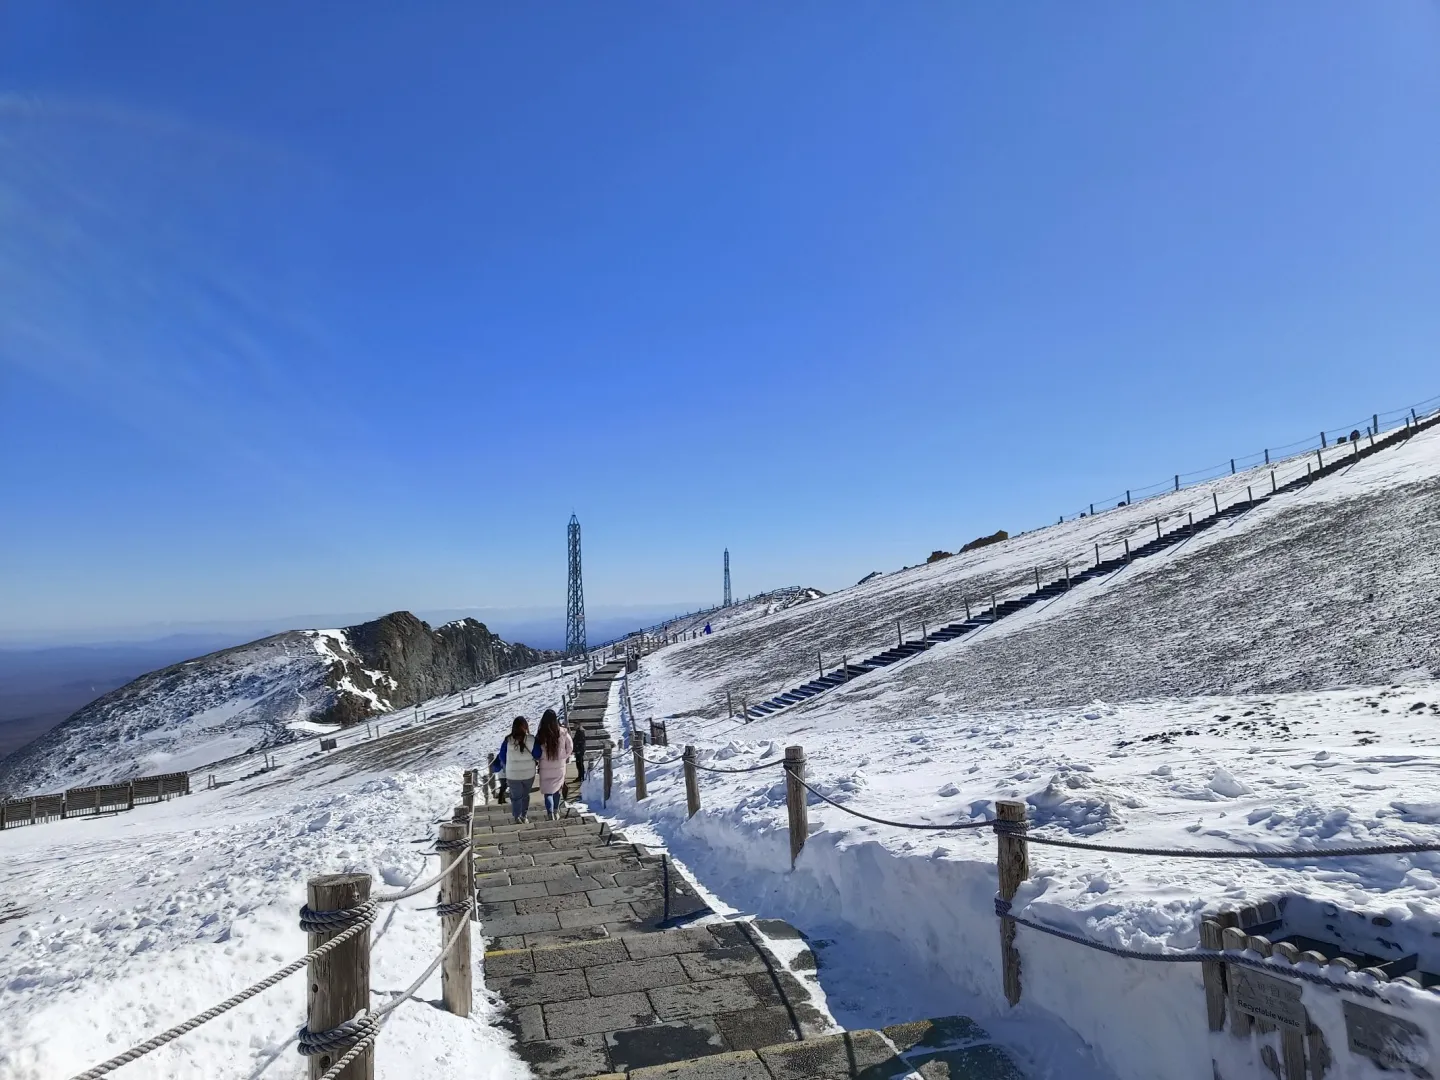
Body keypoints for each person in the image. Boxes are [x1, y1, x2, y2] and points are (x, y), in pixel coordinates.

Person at [490, 716, 540, 824]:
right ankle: (524, 816)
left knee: (516, 796)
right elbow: (538, 754)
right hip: (529, 773)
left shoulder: (507, 740)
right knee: (525, 795)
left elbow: (502, 756)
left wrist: (509, 764)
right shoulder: (531, 739)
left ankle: (517, 816)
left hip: (513, 775)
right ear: (526, 726)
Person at [534, 708, 573, 820]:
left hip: (545, 767)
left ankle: (550, 813)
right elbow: (570, 747)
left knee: (548, 792)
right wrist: (564, 756)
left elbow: (536, 751)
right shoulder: (563, 732)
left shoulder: (540, 734)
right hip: (559, 766)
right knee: (557, 789)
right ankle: (556, 810)